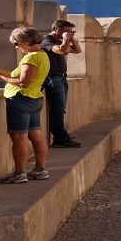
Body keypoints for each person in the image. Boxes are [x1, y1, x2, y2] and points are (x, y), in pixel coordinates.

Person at [0, 27, 50, 183]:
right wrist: (0, 71)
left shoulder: (30, 58)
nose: (16, 46)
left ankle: (19, 173)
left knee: (19, 138)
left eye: (16, 43)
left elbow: (23, 82)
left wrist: (0, 77)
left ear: (27, 41)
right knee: (36, 136)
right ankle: (40, 170)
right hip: (35, 100)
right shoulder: (42, 55)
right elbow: (23, 76)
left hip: (20, 100)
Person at [42, 17, 82, 148]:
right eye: (67, 32)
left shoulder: (60, 40)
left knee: (61, 110)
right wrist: (65, 39)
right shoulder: (46, 41)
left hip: (61, 78)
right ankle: (60, 138)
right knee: (58, 110)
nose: (69, 34)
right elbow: (63, 51)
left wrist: (70, 38)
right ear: (58, 30)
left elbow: (77, 50)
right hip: (53, 79)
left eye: (72, 32)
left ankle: (61, 137)